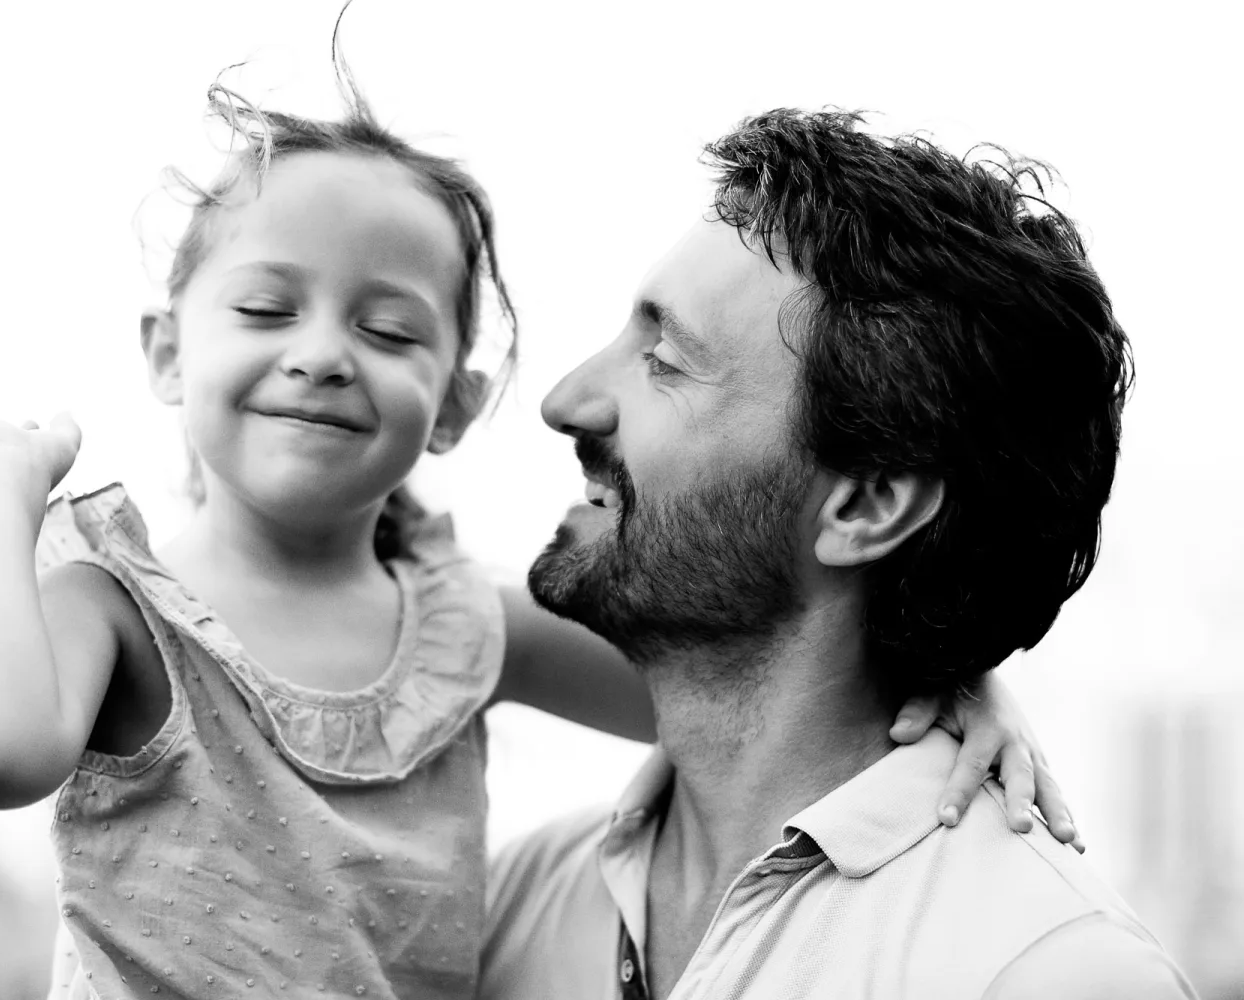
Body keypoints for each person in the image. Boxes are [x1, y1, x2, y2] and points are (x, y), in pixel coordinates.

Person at [0, 74, 1074, 1000]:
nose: (320, 351)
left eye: (388, 327)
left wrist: (945, 686)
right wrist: (1, 484)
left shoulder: (461, 625)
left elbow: (738, 692)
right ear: (163, 350)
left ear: (453, 403)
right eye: (264, 306)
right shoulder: (116, 605)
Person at [478, 109, 1196, 1000]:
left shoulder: (1045, 973)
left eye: (664, 359)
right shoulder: (516, 906)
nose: (566, 400)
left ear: (863, 506)